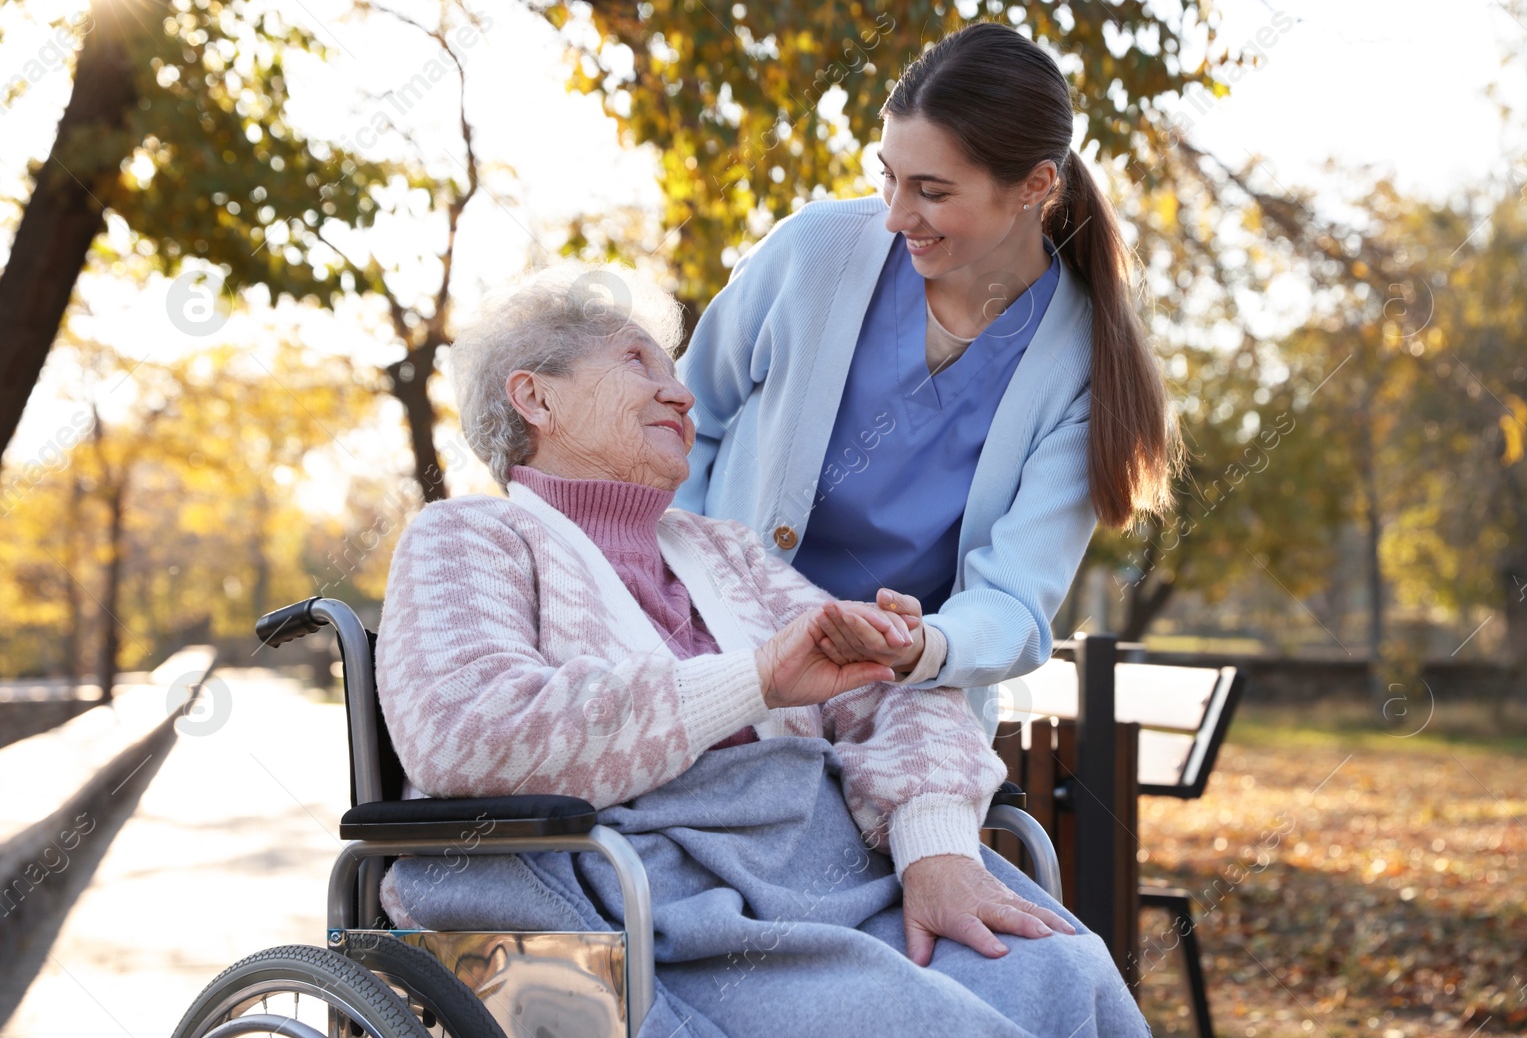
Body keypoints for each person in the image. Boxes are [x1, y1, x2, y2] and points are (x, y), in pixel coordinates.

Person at [373, 262, 1150, 1036]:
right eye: (637, 362)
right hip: (648, 899)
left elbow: (897, 690)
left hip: (824, 880)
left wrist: (936, 848)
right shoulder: (468, 536)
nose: (680, 393)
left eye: (675, 371)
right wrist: (750, 682)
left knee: (1067, 976)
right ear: (535, 396)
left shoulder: (724, 553)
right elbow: (463, 730)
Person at [675, 21, 1176, 736]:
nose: (897, 214)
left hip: (897, 704)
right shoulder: (813, 251)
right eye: (888, 175)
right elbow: (682, 420)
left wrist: (924, 646)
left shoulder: (1082, 368)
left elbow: (1013, 600)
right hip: (720, 652)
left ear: (1035, 186)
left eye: (933, 191)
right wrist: (682, 588)